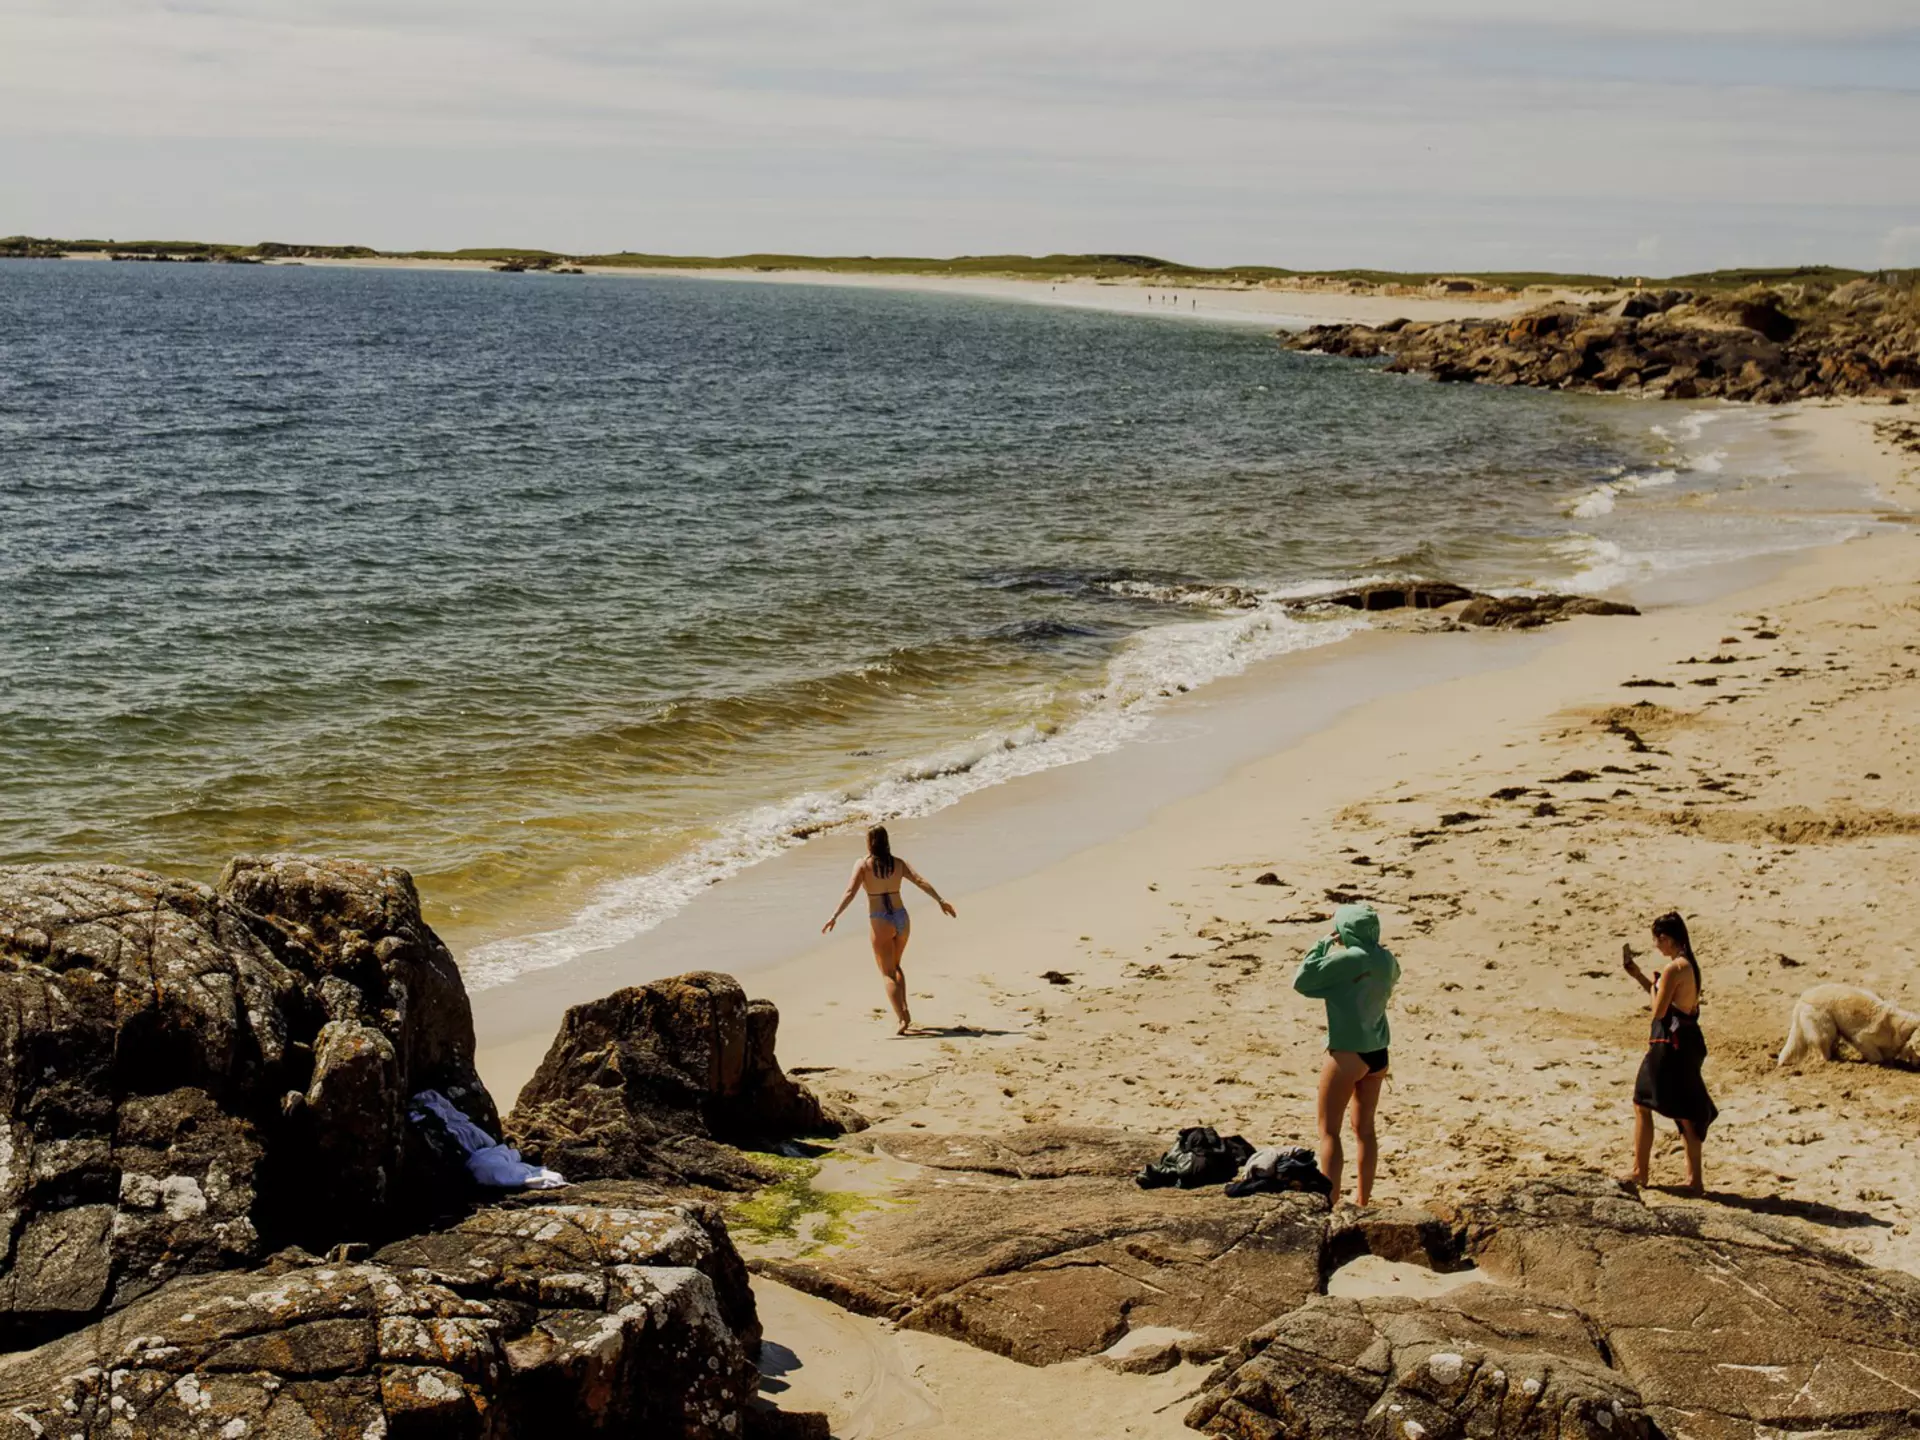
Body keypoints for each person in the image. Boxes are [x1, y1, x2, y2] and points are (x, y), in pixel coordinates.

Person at [1292, 902, 1399, 1207]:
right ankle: (1363, 1200)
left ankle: (1330, 1200)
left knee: (1328, 1131)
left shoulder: (1348, 960)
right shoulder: (1386, 959)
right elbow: (1394, 976)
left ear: (1344, 930)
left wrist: (1323, 943)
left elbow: (1302, 980)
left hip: (1347, 1053)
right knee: (1364, 1129)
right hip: (1378, 1052)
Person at [822, 825, 956, 1034]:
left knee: (887, 973)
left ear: (870, 842)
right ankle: (904, 1010)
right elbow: (919, 880)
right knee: (895, 966)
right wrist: (940, 900)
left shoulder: (863, 865)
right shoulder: (898, 864)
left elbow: (850, 892)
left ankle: (903, 1018)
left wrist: (834, 916)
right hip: (901, 916)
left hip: (880, 920)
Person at [1620, 911, 1716, 1193]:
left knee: (1642, 1101)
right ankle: (1694, 1180)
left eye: (1657, 939)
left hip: (1669, 1045)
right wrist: (1640, 977)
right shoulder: (1689, 966)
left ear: (1666, 938)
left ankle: (1640, 1171)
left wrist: (1656, 985)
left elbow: (1659, 1010)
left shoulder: (1674, 969)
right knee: (1686, 1112)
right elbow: (1667, 999)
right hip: (1687, 1042)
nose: (1655, 946)